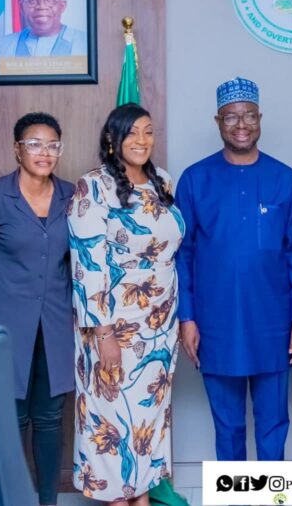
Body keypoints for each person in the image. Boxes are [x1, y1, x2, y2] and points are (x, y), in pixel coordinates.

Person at [175, 77, 292, 460]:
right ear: (217, 122)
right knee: (228, 426)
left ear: (260, 119)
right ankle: (236, 490)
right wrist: (187, 318)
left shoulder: (284, 178)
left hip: (273, 323)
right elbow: (183, 255)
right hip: (215, 324)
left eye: (249, 116)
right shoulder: (195, 179)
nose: (241, 125)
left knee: (273, 424)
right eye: (231, 117)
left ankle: (270, 491)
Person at [68, 104, 183, 505]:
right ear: (111, 139)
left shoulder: (162, 181)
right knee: (113, 422)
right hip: (114, 326)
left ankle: (143, 496)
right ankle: (119, 500)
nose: (141, 140)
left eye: (148, 131)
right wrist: (104, 334)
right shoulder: (92, 186)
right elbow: (87, 263)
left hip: (160, 325)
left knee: (147, 421)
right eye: (131, 132)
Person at [0, 112, 75, 506]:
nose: (44, 152)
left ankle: (48, 501)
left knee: (50, 419)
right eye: (34, 144)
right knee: (10, 418)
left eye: (52, 145)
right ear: (17, 149)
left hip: (55, 326)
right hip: (5, 326)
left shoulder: (73, 197)